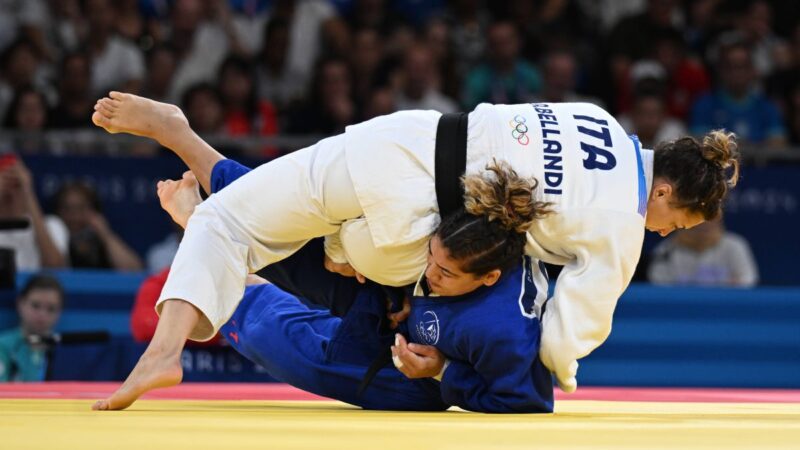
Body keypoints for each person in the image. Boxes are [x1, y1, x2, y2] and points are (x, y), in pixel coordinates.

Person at [90, 92, 739, 409]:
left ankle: (163, 352)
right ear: (667, 187)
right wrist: (560, 371)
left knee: (230, 221)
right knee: (351, 273)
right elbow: (571, 335)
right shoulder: (621, 226)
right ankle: (341, 246)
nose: (665, 233)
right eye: (675, 219)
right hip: (422, 229)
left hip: (404, 138)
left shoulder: (596, 118)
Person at [105, 156, 554, 413]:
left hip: (406, 375)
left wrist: (440, 371)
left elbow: (528, 400)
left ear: (489, 278)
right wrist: (402, 287)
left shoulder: (501, 332)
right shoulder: (468, 227)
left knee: (268, 334)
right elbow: (429, 267)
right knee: (292, 228)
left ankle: (199, 223)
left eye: (445, 274)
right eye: (430, 261)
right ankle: (198, 176)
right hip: (381, 297)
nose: (431, 276)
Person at [648, 217, 758, 287]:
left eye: (709, 218)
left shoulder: (735, 246)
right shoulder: (666, 249)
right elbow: (658, 283)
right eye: (699, 219)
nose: (704, 224)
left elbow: (747, 280)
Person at [0, 274, 64, 382]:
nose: (42, 314)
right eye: (35, 305)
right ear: (20, 303)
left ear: (59, 312)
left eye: (51, 309)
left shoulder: (64, 350)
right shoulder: (3, 346)